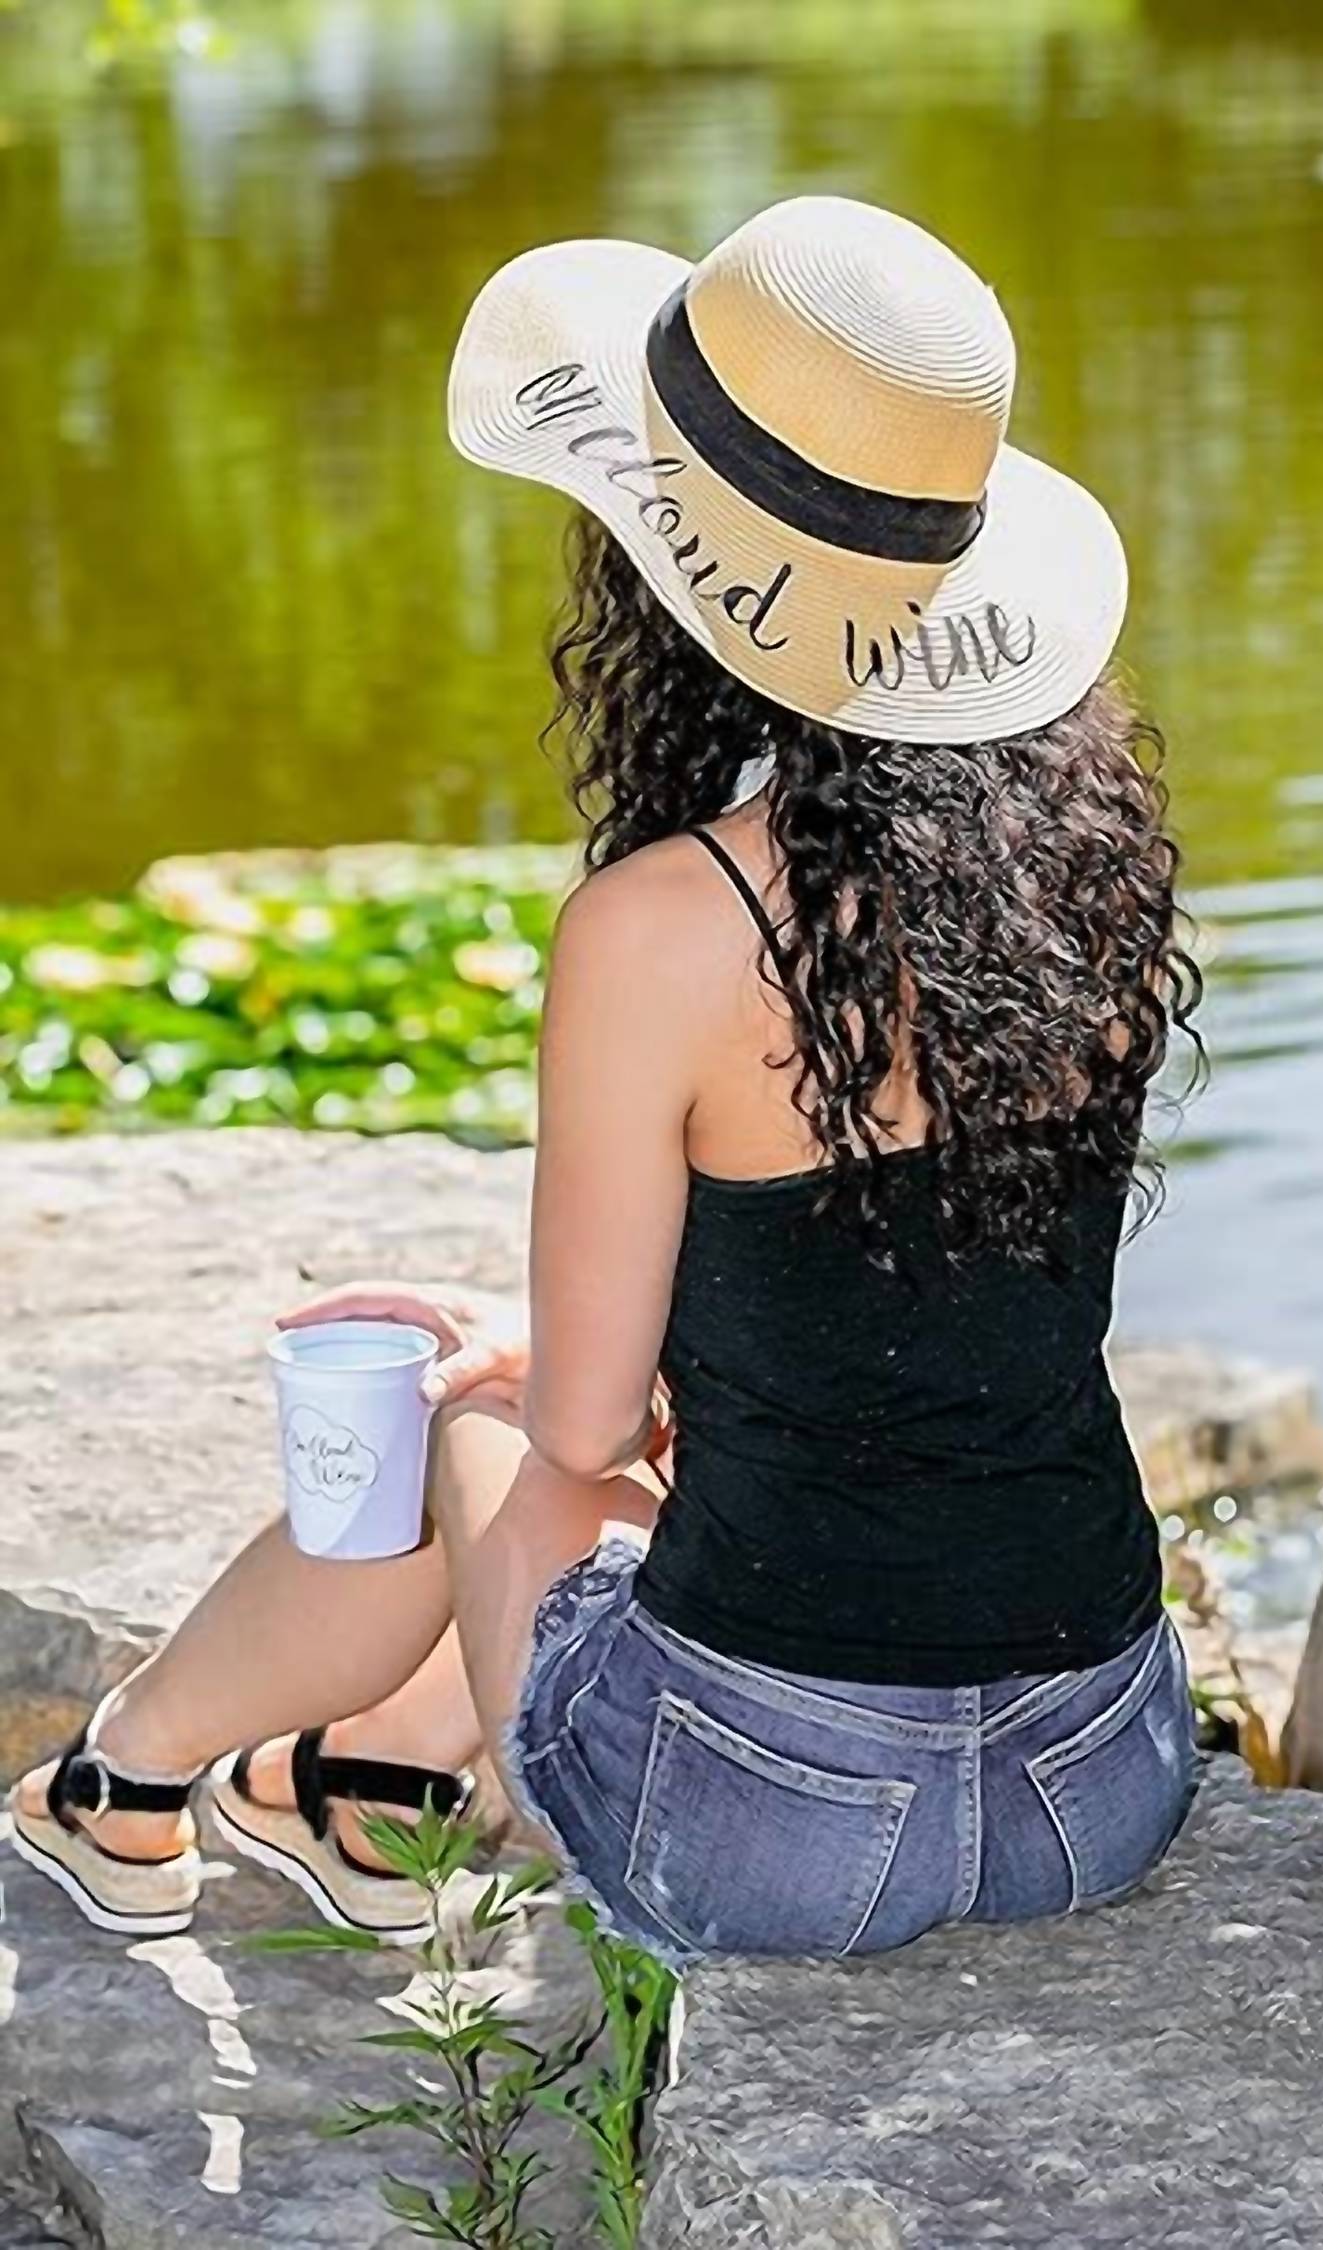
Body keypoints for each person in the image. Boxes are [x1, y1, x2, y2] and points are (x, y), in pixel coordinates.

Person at [7, 196, 1203, 1963]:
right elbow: (909, 1317)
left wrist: (540, 1371)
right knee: (610, 1442)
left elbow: (575, 1436)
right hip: (1103, 1766)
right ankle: (360, 1782)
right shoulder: (1086, 877)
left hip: (783, 1830)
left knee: (476, 1429)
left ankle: (129, 1778)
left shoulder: (666, 924)